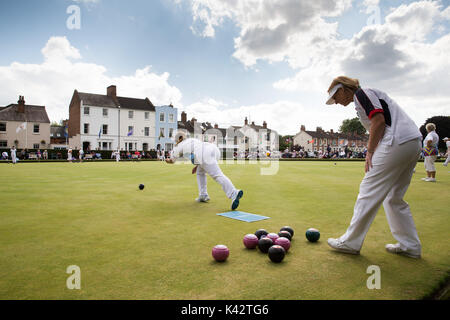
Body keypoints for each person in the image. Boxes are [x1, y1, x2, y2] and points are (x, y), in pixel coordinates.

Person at [325, 76, 422, 258]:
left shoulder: (362, 94)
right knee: (394, 197)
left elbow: (378, 121)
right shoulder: (363, 97)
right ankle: (410, 246)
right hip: (411, 141)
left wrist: (369, 152)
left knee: (368, 189)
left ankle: (350, 242)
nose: (336, 102)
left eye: (335, 97)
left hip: (397, 141)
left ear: (344, 89)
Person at [165, 134, 244, 210]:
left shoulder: (178, 146)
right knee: (200, 172)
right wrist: (197, 165)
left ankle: (233, 192)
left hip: (203, 153)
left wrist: (167, 160)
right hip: (213, 150)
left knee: (217, 175)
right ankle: (203, 195)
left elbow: (172, 161)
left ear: (177, 139)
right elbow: (199, 151)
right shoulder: (192, 140)